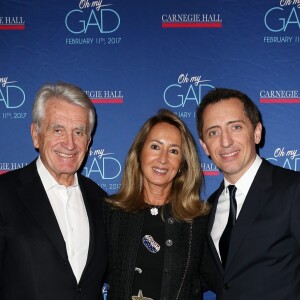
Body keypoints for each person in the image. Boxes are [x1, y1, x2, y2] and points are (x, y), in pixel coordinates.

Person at [0, 82, 108, 299]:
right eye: (58, 129)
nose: (69, 144)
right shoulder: (4, 194)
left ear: (88, 142)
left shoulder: (101, 200)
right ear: (36, 134)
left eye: (78, 132)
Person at [196, 87, 300, 299]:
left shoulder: (293, 189)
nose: (225, 142)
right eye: (213, 132)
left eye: (235, 127)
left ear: (257, 132)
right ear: (205, 146)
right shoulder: (211, 205)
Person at [103, 109, 216, 300]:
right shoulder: (111, 213)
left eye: (173, 151)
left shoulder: (199, 220)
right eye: (155, 147)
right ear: (139, 152)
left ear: (181, 163)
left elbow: (210, 279)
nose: (163, 159)